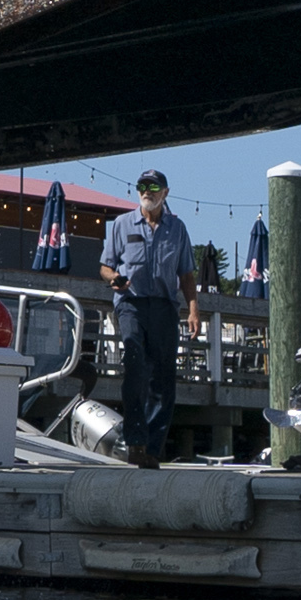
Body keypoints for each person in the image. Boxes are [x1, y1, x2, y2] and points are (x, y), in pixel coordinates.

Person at [98, 170, 200, 464]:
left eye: (154, 187)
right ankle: (136, 443)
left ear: (165, 192)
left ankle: (152, 448)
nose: (147, 191)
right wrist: (114, 278)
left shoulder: (178, 228)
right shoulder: (121, 224)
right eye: (142, 186)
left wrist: (193, 309)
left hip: (165, 307)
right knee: (134, 361)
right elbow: (104, 266)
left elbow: (187, 274)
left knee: (163, 378)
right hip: (130, 303)